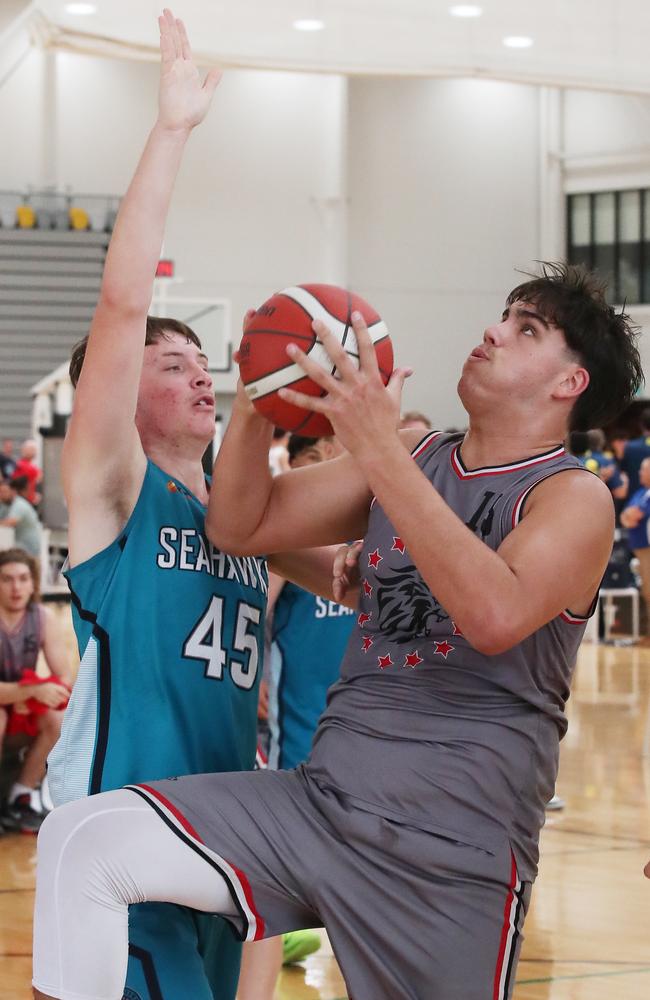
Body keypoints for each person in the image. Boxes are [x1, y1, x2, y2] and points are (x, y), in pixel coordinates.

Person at [32, 279, 642, 994]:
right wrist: (265, 396)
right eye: (504, 315)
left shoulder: (573, 496)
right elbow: (241, 526)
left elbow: (495, 614)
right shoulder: (418, 455)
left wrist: (380, 452)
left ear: (571, 382)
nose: (495, 331)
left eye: (528, 329)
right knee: (81, 843)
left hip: (449, 848)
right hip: (319, 805)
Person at [39, 13, 348, 1000]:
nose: (197, 375)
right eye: (168, 365)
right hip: (126, 825)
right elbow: (121, 310)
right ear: (121, 395)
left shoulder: (246, 513)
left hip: (228, 832)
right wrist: (170, 128)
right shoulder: (116, 491)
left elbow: (353, 565)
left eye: (198, 360)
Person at [237, 433, 355, 1000]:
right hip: (300, 692)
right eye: (318, 454)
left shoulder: (359, 524)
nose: (331, 458)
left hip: (351, 692)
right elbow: (260, 599)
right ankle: (276, 926)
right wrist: (253, 667)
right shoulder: (297, 527)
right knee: (297, 802)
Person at [0, 548, 71, 833]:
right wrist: (28, 692)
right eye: (6, 579)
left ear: (33, 583)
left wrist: (36, 694)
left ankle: (22, 795)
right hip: (7, 707)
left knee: (59, 715)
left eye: (23, 578)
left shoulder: (42, 618)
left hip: (19, 705)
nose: (16, 587)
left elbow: (65, 678)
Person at [620, 456, 650, 641]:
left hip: (647, 549)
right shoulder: (640, 492)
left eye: (643, 469)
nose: (639, 472)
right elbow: (625, 517)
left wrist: (629, 517)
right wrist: (628, 517)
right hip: (639, 549)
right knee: (646, 590)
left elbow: (633, 517)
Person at [0, 477, 43, 558]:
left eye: (4, 491)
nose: (1, 494)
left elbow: (10, 522)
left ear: (13, 491)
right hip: (18, 544)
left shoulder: (20, 504)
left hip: (29, 548)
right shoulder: (5, 504)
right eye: (0, 492)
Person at [620, 408, 650, 496]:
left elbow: (623, 473)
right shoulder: (630, 446)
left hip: (635, 497)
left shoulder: (630, 447)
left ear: (641, 425)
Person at [13, 439, 42, 506]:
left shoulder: (19, 464)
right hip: (27, 500)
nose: (35, 451)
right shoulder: (28, 467)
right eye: (33, 449)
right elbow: (38, 478)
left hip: (22, 499)